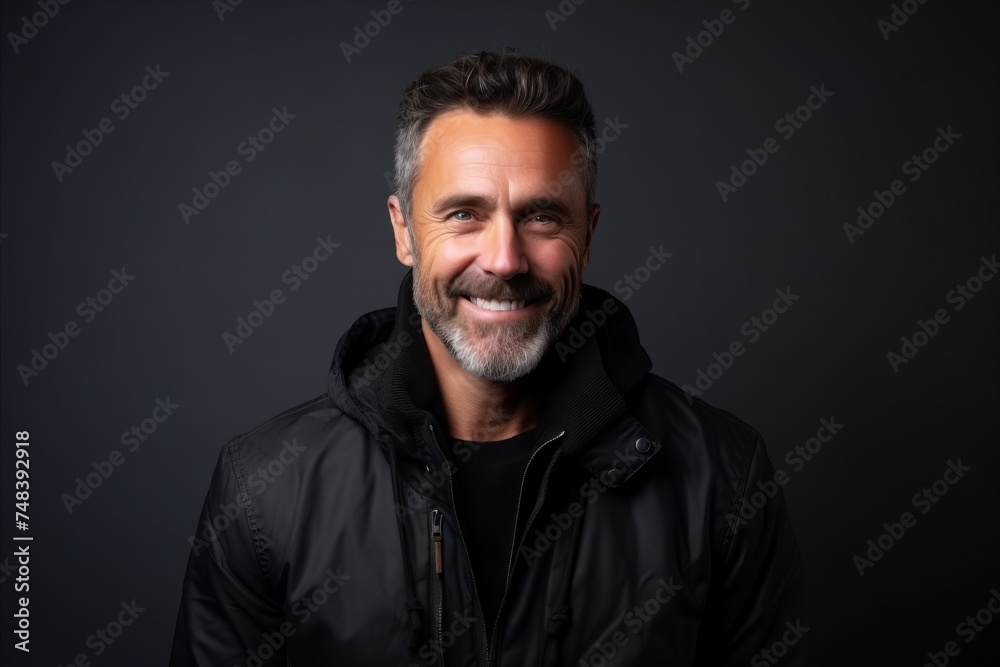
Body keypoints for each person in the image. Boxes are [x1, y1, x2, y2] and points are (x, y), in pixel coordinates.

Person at [170, 49, 810, 666]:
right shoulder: (263, 489)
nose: (504, 260)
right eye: (464, 214)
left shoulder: (722, 479)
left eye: (540, 216)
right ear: (403, 232)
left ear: (587, 234)